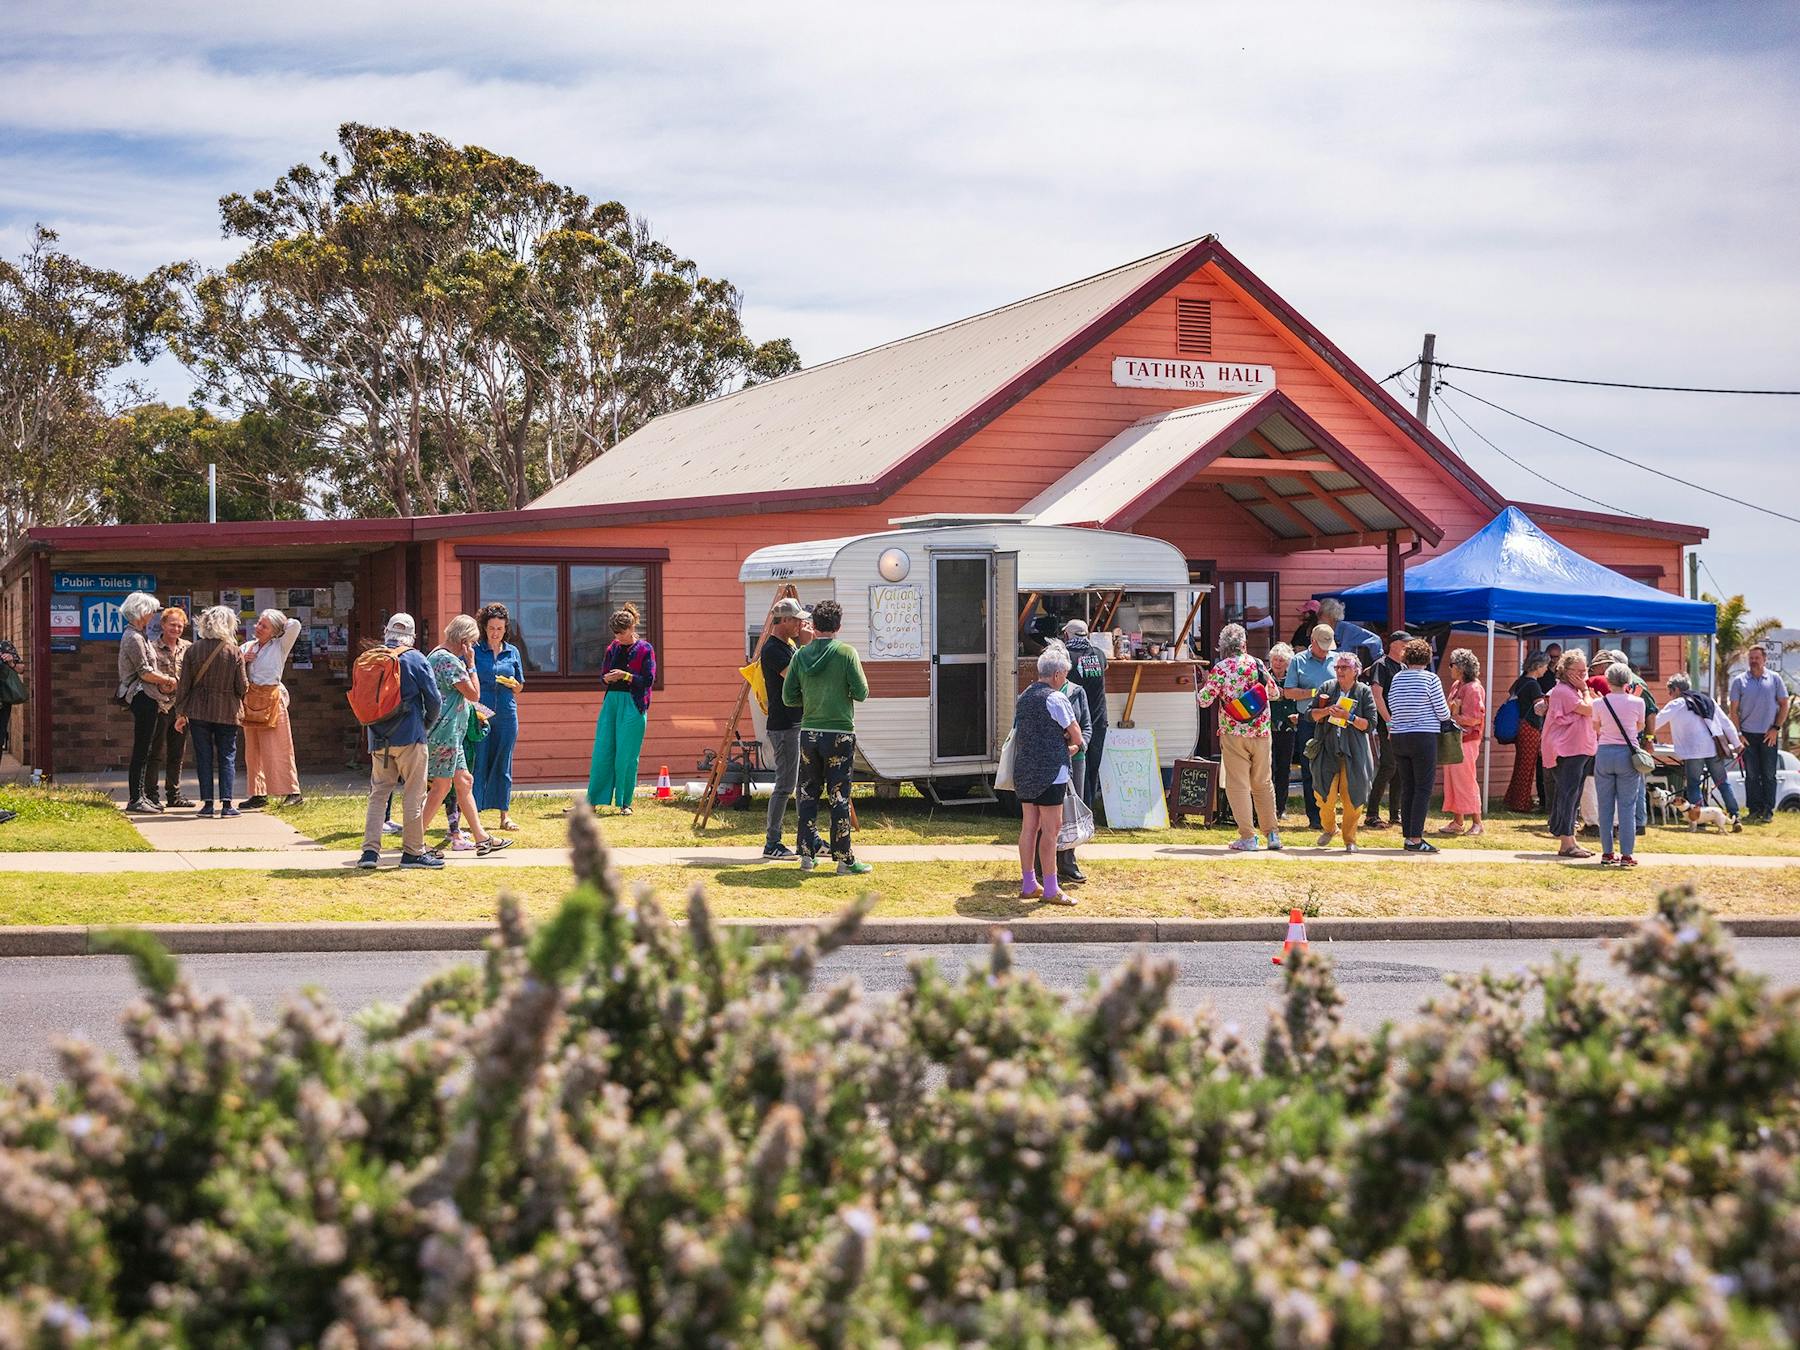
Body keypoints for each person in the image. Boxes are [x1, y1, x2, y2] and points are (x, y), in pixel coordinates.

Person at [782, 599, 870, 874]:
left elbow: (788, 696)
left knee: (808, 793)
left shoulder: (799, 655)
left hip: (809, 732)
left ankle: (807, 856)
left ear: (814, 625)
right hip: (840, 733)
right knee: (839, 796)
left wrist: (809, 700)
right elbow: (862, 692)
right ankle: (844, 860)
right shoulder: (846, 654)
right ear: (838, 626)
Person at [419, 615, 511, 858]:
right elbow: (473, 694)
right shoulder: (449, 661)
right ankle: (416, 840)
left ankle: (482, 838)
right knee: (441, 786)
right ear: (463, 641)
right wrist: (471, 665)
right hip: (444, 733)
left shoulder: (435, 655)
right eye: (471, 642)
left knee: (464, 781)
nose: (472, 647)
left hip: (451, 734)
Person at [357, 613, 443, 871]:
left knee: (378, 794)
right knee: (413, 796)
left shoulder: (371, 657)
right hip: (410, 737)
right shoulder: (415, 658)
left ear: (387, 632)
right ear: (412, 635)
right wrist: (425, 725)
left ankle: (370, 853)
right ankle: (413, 852)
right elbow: (435, 700)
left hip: (379, 739)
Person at [1195, 622, 1282, 852]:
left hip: (1233, 732)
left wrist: (1204, 682)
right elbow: (1274, 693)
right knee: (1263, 782)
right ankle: (1272, 834)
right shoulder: (1257, 664)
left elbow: (1204, 700)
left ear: (1223, 647)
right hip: (1262, 732)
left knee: (1238, 784)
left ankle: (1248, 837)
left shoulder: (1221, 669)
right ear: (1244, 644)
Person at [1011, 644, 1083, 903]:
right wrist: (1072, 743)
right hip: (1052, 770)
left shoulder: (1025, 695)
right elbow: (1076, 735)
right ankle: (1051, 888)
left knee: (1029, 827)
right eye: (1064, 674)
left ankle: (1029, 883)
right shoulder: (1056, 698)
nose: (1065, 679)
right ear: (1056, 675)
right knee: (1052, 831)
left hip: (1025, 769)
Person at [170, 605, 249, 819]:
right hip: (227, 711)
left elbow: (184, 684)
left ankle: (206, 804)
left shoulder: (193, 650)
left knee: (203, 757)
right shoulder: (234, 651)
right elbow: (242, 686)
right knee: (227, 756)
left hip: (199, 711)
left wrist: (180, 713)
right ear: (229, 625)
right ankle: (226, 804)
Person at [1386, 637, 1453, 854]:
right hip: (1423, 736)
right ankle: (1416, 838)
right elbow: (1443, 712)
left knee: (1408, 787)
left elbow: (1392, 704)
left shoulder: (1397, 678)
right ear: (1426, 657)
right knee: (1423, 788)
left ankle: (1408, 835)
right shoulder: (1430, 679)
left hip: (1398, 736)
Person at [588, 605, 657, 814]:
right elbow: (603, 674)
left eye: (622, 632)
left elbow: (649, 680)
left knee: (626, 755)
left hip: (634, 704)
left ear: (632, 627)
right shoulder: (613, 648)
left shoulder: (646, 649)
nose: (619, 637)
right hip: (611, 703)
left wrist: (625, 676)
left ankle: (624, 803)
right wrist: (606, 678)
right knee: (602, 751)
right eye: (616, 633)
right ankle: (593, 801)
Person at [1307, 651, 1376, 852]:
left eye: (1344, 667)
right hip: (1327, 750)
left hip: (1354, 752)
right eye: (1337, 667)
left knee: (1353, 798)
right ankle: (1329, 828)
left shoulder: (1363, 691)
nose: (1339, 671)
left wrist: (1349, 717)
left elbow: (1370, 725)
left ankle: (1350, 839)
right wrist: (1326, 711)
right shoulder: (1327, 688)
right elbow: (1309, 715)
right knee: (1323, 796)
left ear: (1356, 671)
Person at [759, 597, 810, 860]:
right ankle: (772, 843)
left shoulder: (786, 645)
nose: (802, 624)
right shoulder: (773, 649)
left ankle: (807, 838)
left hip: (795, 723)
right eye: (798, 619)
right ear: (786, 620)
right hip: (784, 726)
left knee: (801, 784)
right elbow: (796, 676)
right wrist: (806, 647)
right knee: (785, 785)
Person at [1657, 672, 1742, 827]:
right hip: (1714, 747)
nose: (1669, 695)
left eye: (1670, 691)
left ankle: (1700, 819)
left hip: (1693, 750)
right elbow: (1726, 723)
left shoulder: (1677, 703)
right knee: (1722, 782)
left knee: (1694, 784)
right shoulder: (1707, 700)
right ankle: (1735, 816)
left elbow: (1657, 721)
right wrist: (1737, 743)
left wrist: (1642, 734)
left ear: (1676, 689)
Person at [238, 608, 303, 809]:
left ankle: (292, 791)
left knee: (279, 746)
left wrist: (278, 622)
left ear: (274, 631)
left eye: (264, 626)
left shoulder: (280, 646)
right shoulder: (248, 646)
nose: (258, 628)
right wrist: (242, 660)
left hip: (272, 698)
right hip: (251, 699)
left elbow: (295, 625)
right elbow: (232, 664)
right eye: (258, 623)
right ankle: (258, 793)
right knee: (252, 750)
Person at [116, 591, 172, 814]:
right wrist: (168, 679)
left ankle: (141, 796)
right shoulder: (133, 637)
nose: (153, 616)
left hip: (150, 696)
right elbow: (145, 672)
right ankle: (135, 798)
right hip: (142, 697)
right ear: (141, 612)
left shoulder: (141, 635)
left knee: (147, 748)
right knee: (142, 748)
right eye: (151, 611)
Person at [471, 602, 525, 833]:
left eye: (500, 629)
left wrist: (514, 684)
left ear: (506, 629)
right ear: (484, 627)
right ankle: (476, 817)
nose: (495, 632)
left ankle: (504, 816)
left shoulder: (513, 652)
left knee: (504, 763)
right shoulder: (474, 650)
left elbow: (520, 685)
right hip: (480, 712)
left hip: (506, 713)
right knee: (478, 762)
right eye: (492, 628)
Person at [1542, 650, 1598, 858]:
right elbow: (1589, 709)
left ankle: (1570, 839)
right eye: (1579, 671)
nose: (1584, 675)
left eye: (1586, 671)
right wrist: (1585, 691)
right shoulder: (1564, 691)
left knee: (1573, 795)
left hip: (1579, 748)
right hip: (1566, 750)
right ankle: (1566, 842)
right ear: (1565, 671)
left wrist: (1585, 692)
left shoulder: (1572, 690)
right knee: (1568, 794)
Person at [1282, 623, 1337, 832]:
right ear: (1312, 642)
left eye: (1327, 646)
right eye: (1321, 645)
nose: (1325, 650)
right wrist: (1315, 693)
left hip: (1333, 721)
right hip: (1308, 720)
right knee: (1309, 768)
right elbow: (1288, 692)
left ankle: (1329, 812)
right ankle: (1314, 817)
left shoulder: (1337, 659)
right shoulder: (1299, 661)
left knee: (1332, 767)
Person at [1730, 643, 1790, 824]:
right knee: (1752, 775)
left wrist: (1776, 728)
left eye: (1757, 658)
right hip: (1748, 735)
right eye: (1751, 658)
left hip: (1768, 735)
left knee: (1769, 775)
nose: (1754, 661)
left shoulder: (1775, 679)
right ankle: (1754, 810)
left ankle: (1768, 812)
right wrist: (1738, 734)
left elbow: (1784, 704)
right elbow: (1734, 710)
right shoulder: (1739, 681)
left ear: (1765, 660)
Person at [1593, 661, 1646, 867]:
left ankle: (1607, 852)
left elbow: (1595, 727)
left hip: (1604, 752)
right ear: (1628, 681)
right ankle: (1626, 854)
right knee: (1627, 806)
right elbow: (1639, 725)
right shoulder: (1637, 703)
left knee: (1605, 806)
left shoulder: (1598, 703)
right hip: (1627, 754)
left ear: (1608, 680)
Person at [144, 607, 192, 809]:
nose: (176, 628)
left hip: (181, 708)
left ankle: (174, 794)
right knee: (154, 752)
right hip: (159, 705)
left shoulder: (189, 648)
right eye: (172, 624)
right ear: (163, 624)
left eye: (180, 625)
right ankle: (151, 794)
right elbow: (146, 674)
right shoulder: (151, 647)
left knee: (177, 753)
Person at [1054, 649, 1094, 886]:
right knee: (1048, 812)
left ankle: (1068, 863)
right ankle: (1043, 865)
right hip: (1050, 760)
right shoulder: (1042, 693)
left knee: (1072, 811)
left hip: (1075, 760)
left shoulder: (1077, 692)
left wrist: (1079, 747)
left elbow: (1087, 727)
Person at [1438, 648, 1487, 836]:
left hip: (1467, 740)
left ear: (1461, 667)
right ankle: (1458, 821)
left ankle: (1477, 823)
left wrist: (1453, 716)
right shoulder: (1457, 685)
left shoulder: (1473, 688)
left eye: (1452, 664)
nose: (1450, 668)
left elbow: (1474, 718)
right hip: (1455, 739)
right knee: (1452, 780)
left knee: (1466, 780)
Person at [1063, 619, 1109, 811]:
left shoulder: (1066, 656)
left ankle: (1076, 812)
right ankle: (1088, 812)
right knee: (1092, 767)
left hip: (1076, 719)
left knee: (1074, 768)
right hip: (1098, 719)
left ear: (1067, 635)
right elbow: (1105, 669)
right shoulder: (1099, 654)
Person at [1365, 631, 1409, 829]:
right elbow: (1377, 695)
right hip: (1387, 723)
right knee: (1388, 766)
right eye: (1404, 643)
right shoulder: (1381, 665)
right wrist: (1389, 722)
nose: (1407, 647)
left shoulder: (1404, 667)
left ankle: (1395, 813)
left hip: (1403, 724)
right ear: (1393, 644)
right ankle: (1372, 814)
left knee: (1400, 768)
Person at [1504, 652, 1551, 813]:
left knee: (1521, 764)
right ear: (1537, 667)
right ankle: (1521, 803)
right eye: (1544, 666)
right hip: (1531, 727)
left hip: (1521, 725)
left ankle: (1513, 799)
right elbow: (1540, 709)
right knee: (1527, 766)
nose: (1545, 670)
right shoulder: (1533, 685)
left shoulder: (1520, 681)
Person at [1267, 643, 1301, 823]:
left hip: (1288, 728)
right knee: (1268, 769)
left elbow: (1300, 699)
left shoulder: (1293, 679)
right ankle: (1268, 807)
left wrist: (1298, 714)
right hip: (1266, 728)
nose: (1278, 663)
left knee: (1283, 769)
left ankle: (1282, 807)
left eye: (1281, 660)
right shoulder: (1265, 677)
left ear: (1288, 662)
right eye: (1275, 660)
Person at [1316, 597, 1383, 669]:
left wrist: (1377, 665)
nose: (1318, 618)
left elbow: (1375, 640)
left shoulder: (1348, 630)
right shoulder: (1321, 630)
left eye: (1320, 614)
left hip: (1345, 673)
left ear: (1331, 615)